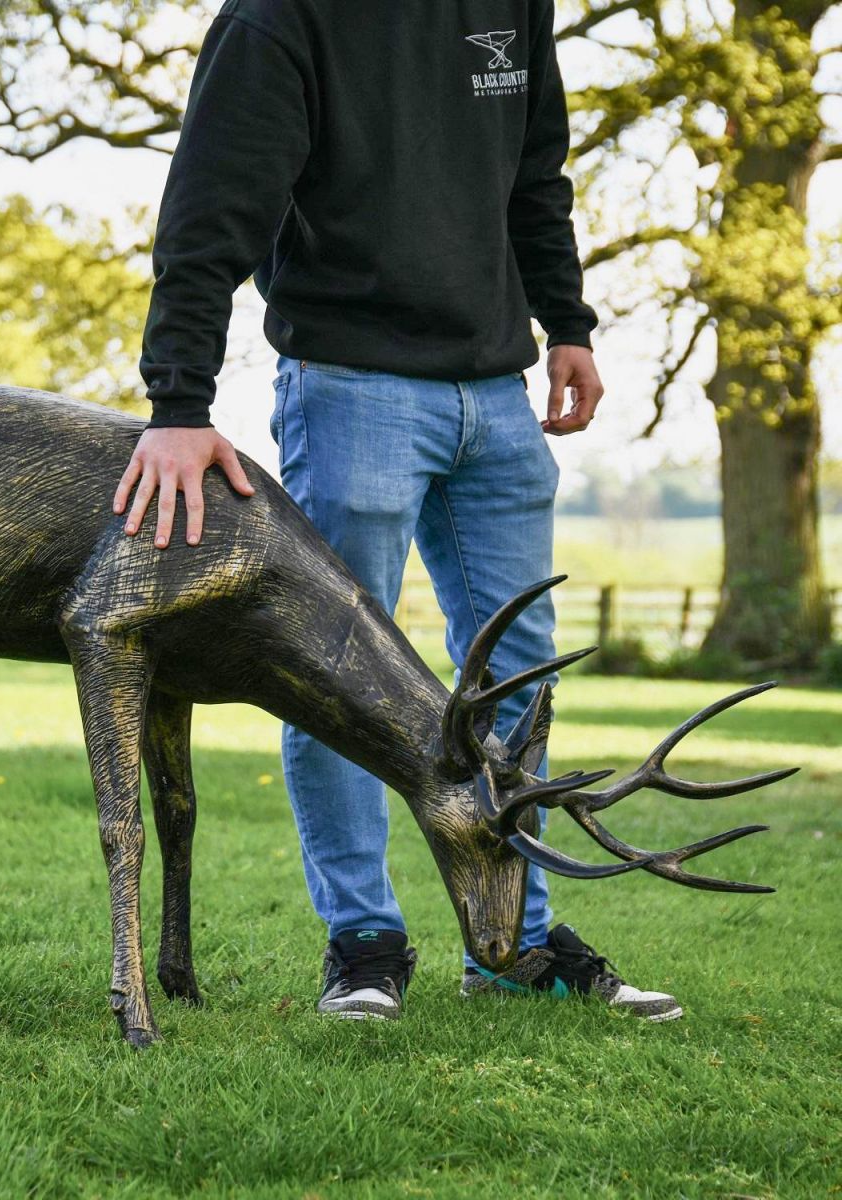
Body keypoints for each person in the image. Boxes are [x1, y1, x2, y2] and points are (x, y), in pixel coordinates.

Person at [115, 0, 682, 1023]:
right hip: (349, 391)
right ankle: (364, 943)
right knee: (335, 674)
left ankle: (513, 945)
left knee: (519, 680)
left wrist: (568, 321)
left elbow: (533, 176)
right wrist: (178, 402)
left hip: (496, 397)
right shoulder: (279, 18)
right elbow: (210, 208)